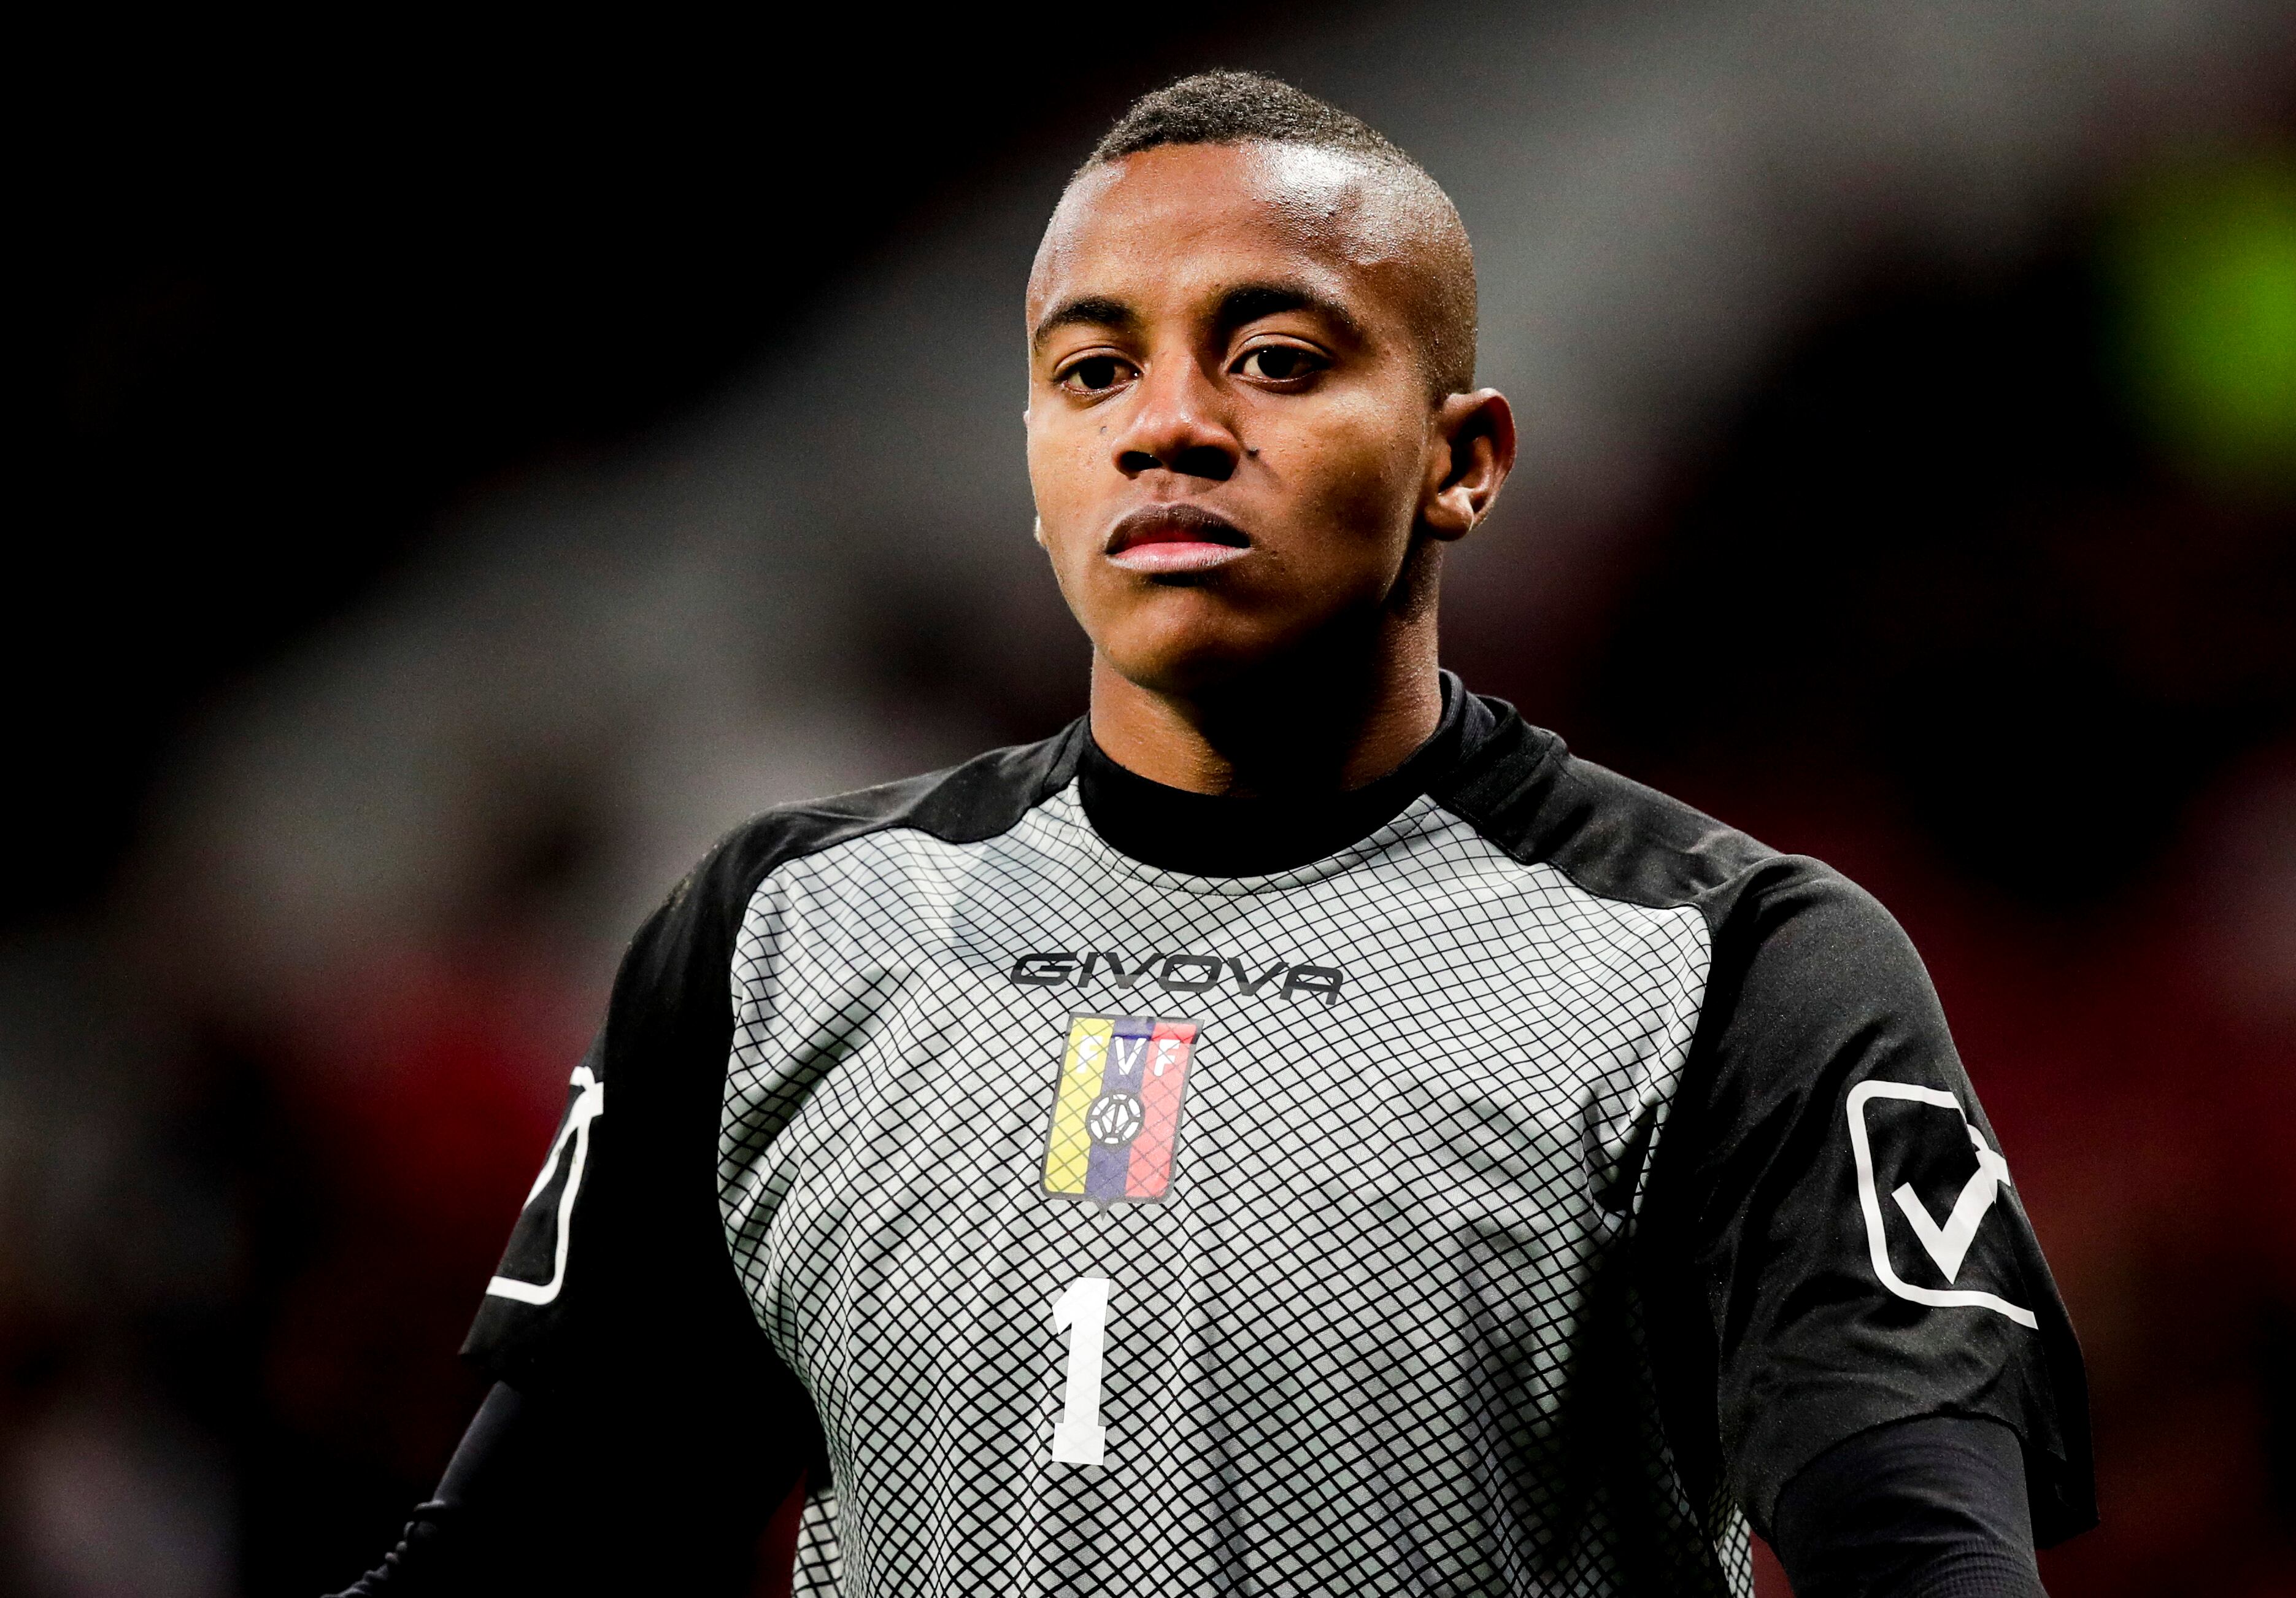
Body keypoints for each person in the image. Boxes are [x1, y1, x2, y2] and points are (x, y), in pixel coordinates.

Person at [336, 71, 2095, 1598]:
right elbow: (524, 1559)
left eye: (1273, 357)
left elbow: (1921, 1562)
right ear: (1035, 465)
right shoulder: (776, 935)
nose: (1169, 424)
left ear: (1463, 461)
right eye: (1094, 370)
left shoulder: (1735, 965)